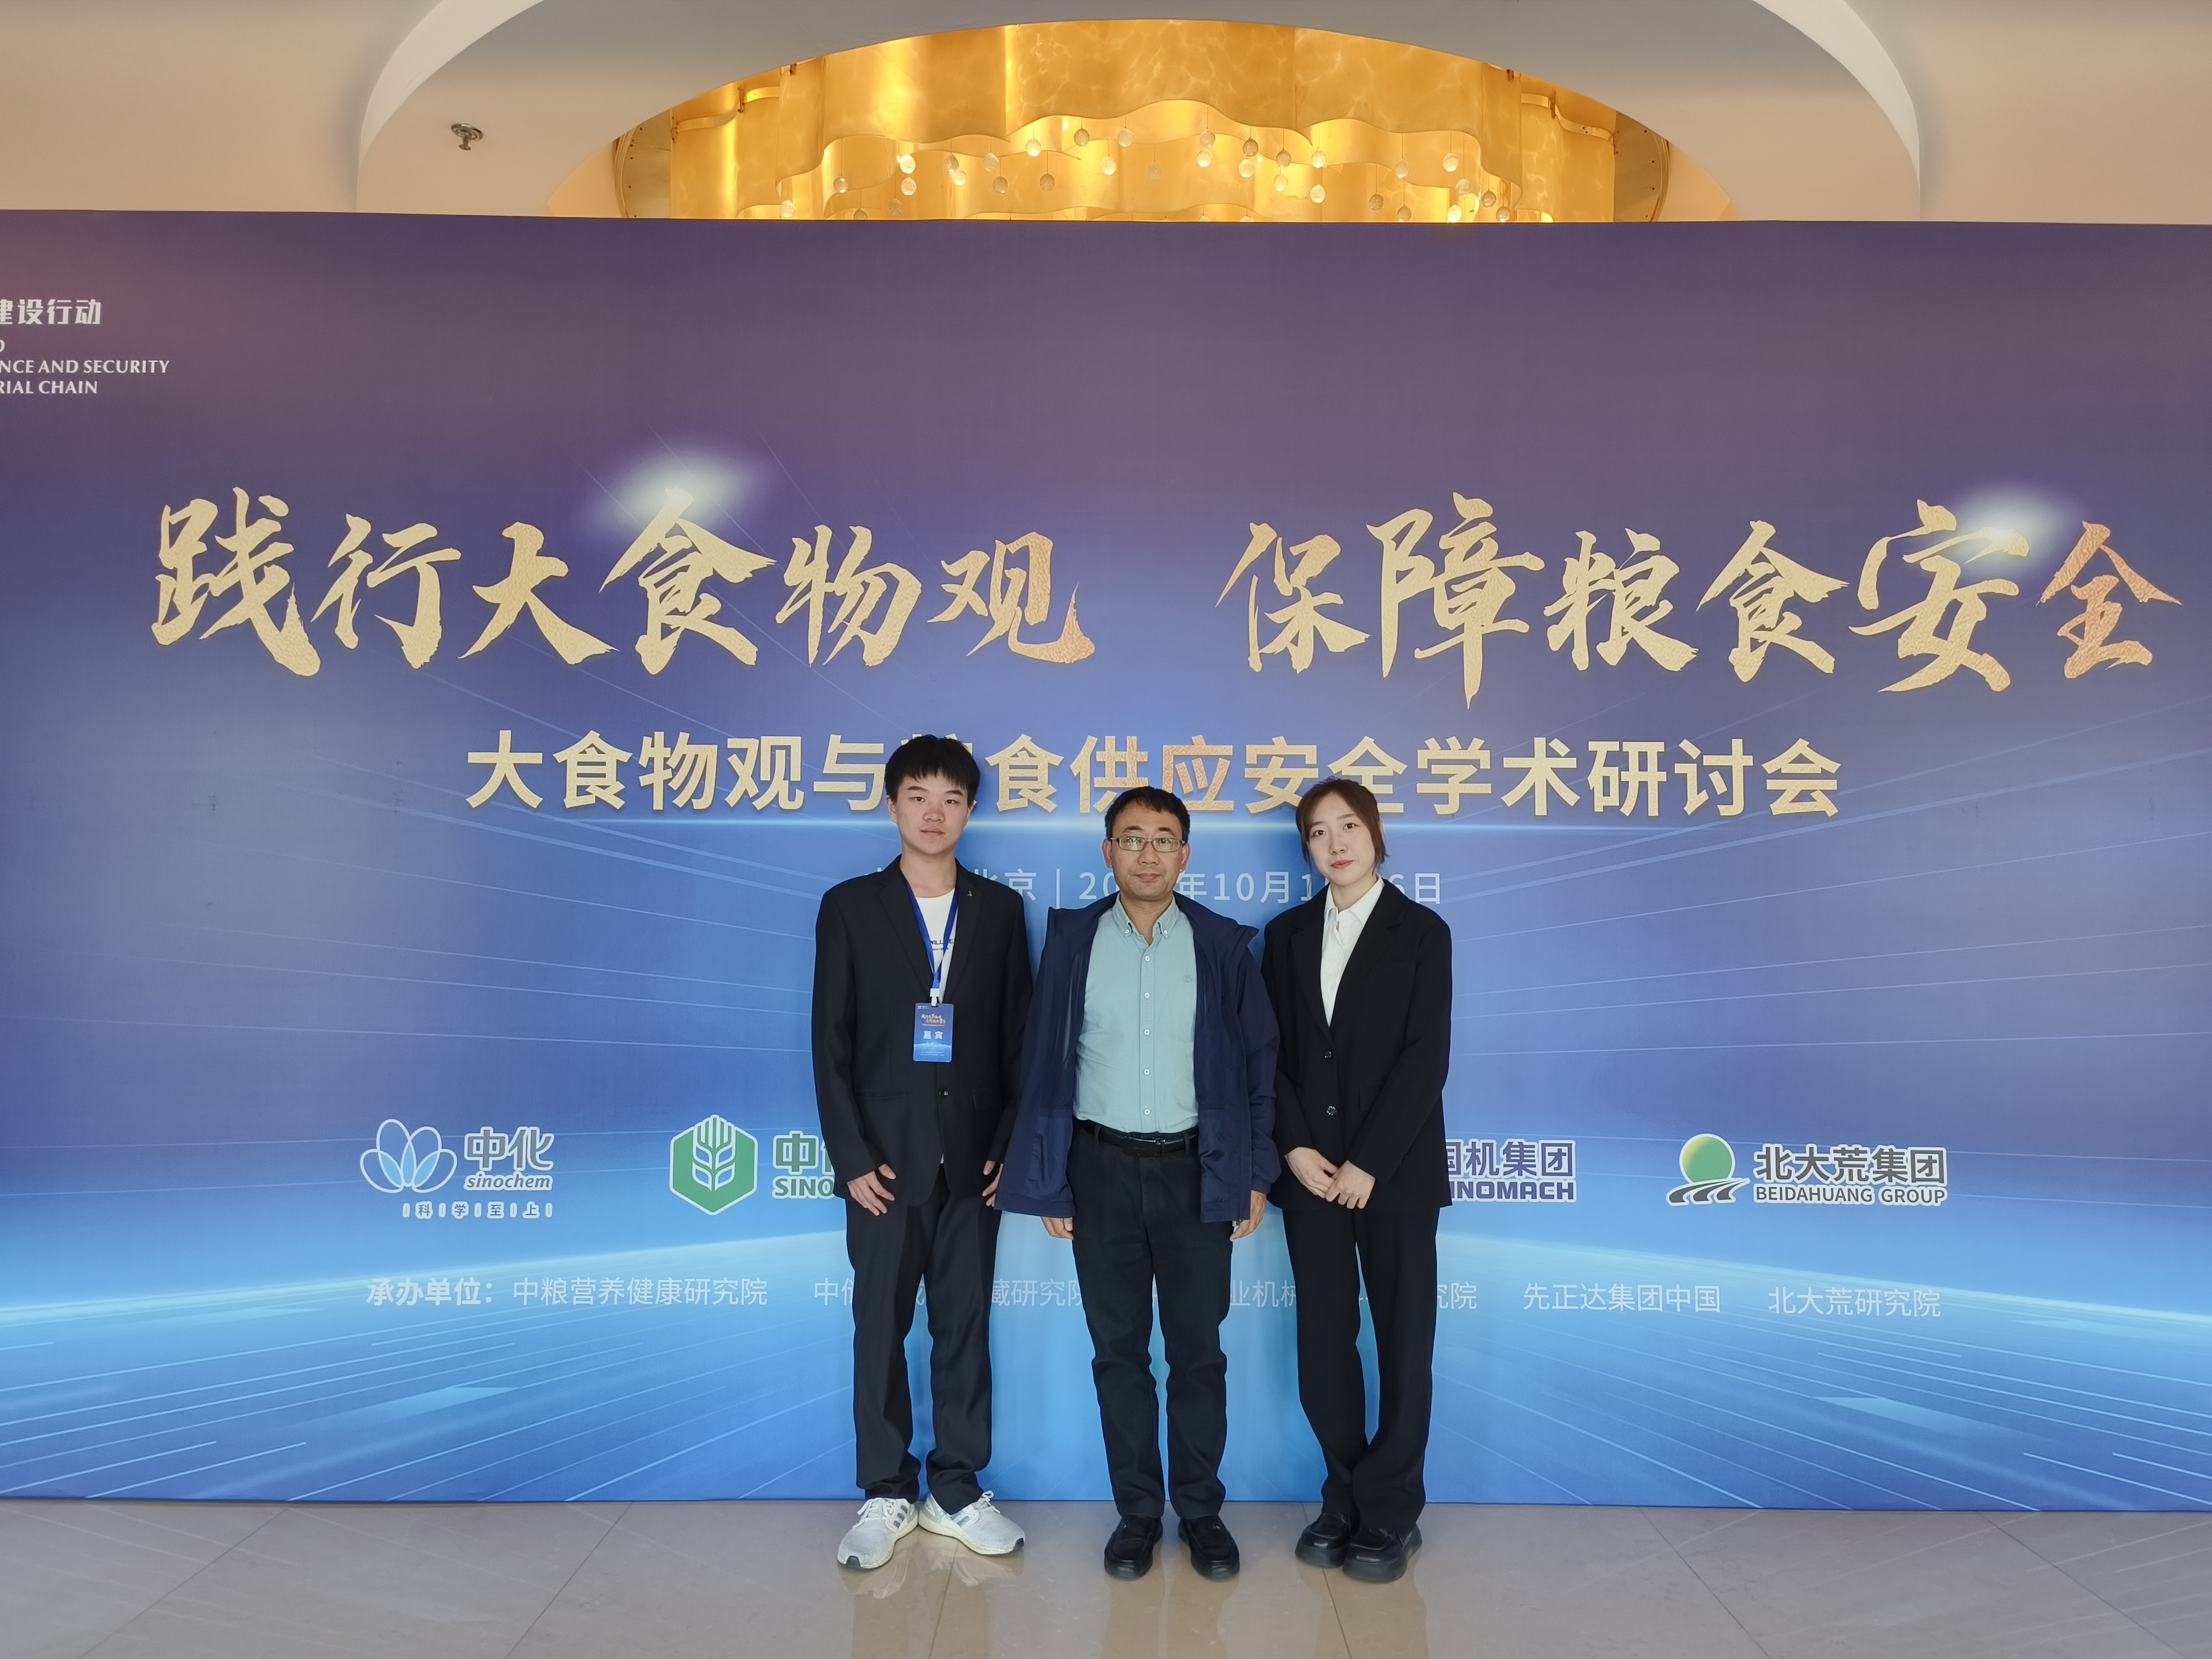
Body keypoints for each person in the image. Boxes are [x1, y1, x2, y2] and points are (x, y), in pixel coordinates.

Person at [999, 786, 1279, 1582]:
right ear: (1108, 852)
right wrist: (1051, 1180)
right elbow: (1041, 1064)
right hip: (1100, 1171)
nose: (1147, 853)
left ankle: (1202, 1513)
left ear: (1185, 856)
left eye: (1163, 840)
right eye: (1132, 838)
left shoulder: (1222, 946)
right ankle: (1137, 1515)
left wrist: (1254, 1173)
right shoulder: (1073, 943)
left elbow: (1260, 1068)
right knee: (1118, 1354)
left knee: (1198, 1355)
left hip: (1199, 1170)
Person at [812, 735, 1034, 1571]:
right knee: (880, 1326)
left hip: (974, 1162)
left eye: (950, 798)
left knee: (964, 1326)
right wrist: (851, 1157)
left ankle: (957, 1489)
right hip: (883, 1166)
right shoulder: (850, 906)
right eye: (917, 796)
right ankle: (886, 1490)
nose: (933, 813)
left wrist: (1009, 1143)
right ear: (892, 805)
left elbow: (1019, 1041)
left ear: (970, 810)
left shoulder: (1000, 910)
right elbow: (829, 1041)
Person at [1261, 777, 1452, 1584]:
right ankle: (1342, 1494)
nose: (1334, 843)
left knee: (1404, 1340)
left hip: (1395, 1174)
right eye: (1317, 831)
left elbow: (1425, 1058)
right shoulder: (1285, 935)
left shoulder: (1422, 932)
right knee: (1324, 1341)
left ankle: (1392, 1508)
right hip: (1311, 1176)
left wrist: (1369, 1161)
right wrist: (1296, 1149)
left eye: (1348, 826)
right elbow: (1268, 1054)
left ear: (1375, 835)